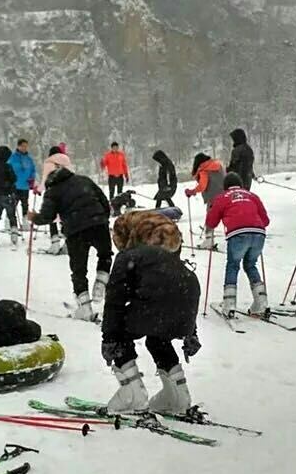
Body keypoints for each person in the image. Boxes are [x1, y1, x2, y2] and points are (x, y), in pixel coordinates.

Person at [101, 211, 201, 414]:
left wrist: (110, 338)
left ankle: (132, 395)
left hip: (163, 298)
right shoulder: (168, 256)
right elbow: (178, 290)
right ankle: (177, 396)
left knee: (121, 335)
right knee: (158, 339)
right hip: (189, 289)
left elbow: (115, 300)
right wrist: (191, 333)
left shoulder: (128, 257)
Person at [28, 167, 112, 321]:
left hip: (75, 230)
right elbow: (104, 201)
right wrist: (102, 218)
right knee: (105, 254)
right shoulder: (83, 180)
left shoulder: (52, 191)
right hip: (98, 223)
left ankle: (85, 308)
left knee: (79, 270)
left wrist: (34, 217)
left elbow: (47, 216)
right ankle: (100, 284)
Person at [205, 172, 270, 317]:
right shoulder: (252, 195)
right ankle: (261, 302)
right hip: (259, 233)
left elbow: (211, 222)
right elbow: (265, 220)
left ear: (225, 186)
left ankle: (229, 305)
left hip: (238, 234)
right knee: (250, 265)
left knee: (233, 265)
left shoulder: (222, 197)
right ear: (240, 184)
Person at [185, 152, 225, 249]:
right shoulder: (218, 166)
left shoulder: (204, 170)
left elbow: (203, 186)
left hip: (213, 197)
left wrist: (192, 191)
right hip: (225, 195)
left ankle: (208, 241)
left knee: (210, 218)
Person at [38, 144, 73, 255]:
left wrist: (38, 189)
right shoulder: (67, 162)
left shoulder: (48, 163)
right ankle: (68, 243)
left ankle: (55, 243)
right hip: (67, 193)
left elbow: (45, 180)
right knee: (65, 217)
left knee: (51, 217)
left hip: (53, 194)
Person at [8, 138, 37, 228]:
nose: (25, 148)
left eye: (26, 146)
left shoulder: (29, 159)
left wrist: (32, 178)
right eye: (23, 146)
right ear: (18, 146)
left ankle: (25, 222)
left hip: (25, 186)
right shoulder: (13, 158)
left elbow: (33, 169)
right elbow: (9, 169)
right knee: (13, 204)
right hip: (15, 185)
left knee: (25, 204)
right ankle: (9, 222)